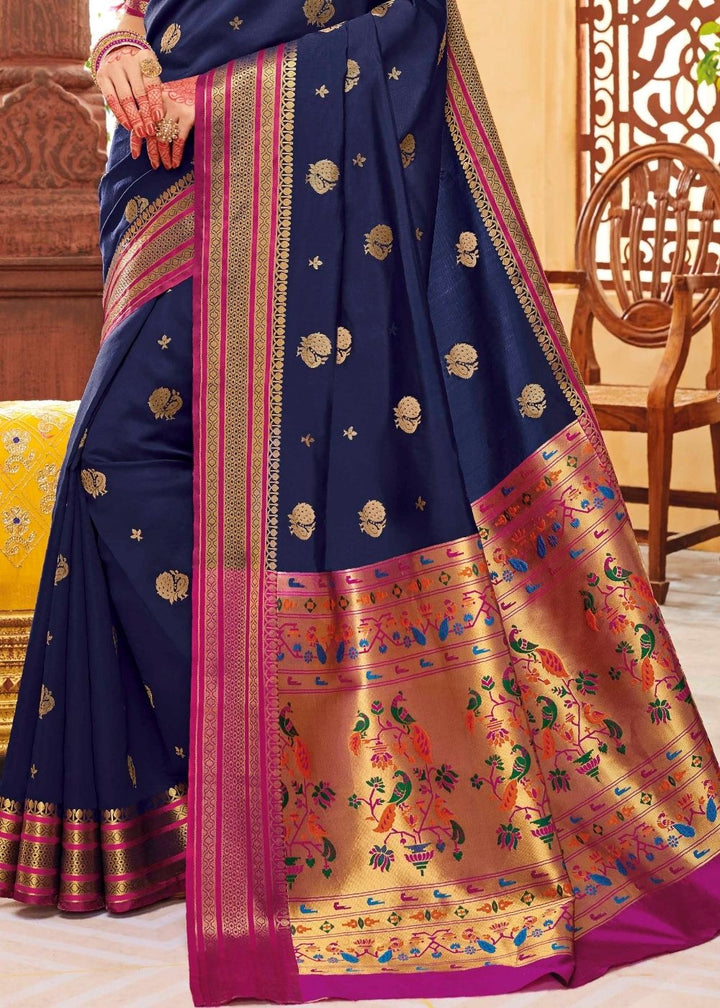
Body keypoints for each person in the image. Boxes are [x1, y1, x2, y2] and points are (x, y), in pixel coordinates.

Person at [1, 0, 719, 1004]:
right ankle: (240, 780)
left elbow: (406, 21)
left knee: (175, 465)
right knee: (111, 462)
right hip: (172, 171)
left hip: (279, 168)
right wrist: (119, 43)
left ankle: (317, 777)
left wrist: (220, 102)